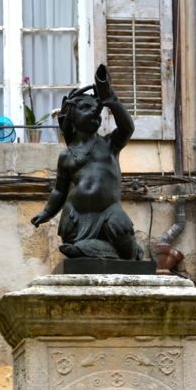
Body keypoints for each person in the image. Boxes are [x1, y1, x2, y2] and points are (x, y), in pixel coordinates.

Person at [30, 65, 144, 261]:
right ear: (72, 117)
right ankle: (90, 248)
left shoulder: (110, 144)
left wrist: (110, 100)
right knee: (71, 242)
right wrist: (47, 212)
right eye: (85, 108)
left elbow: (127, 128)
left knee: (127, 250)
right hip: (76, 215)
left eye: (96, 109)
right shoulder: (66, 156)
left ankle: (93, 249)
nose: (94, 112)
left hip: (109, 212)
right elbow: (59, 190)